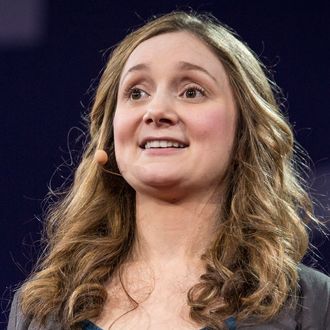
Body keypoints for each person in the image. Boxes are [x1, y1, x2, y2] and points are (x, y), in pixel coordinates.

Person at [8, 11, 330, 330]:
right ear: (109, 136)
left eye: (192, 91)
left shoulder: (313, 305)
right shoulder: (43, 308)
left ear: (245, 132)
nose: (156, 111)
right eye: (137, 92)